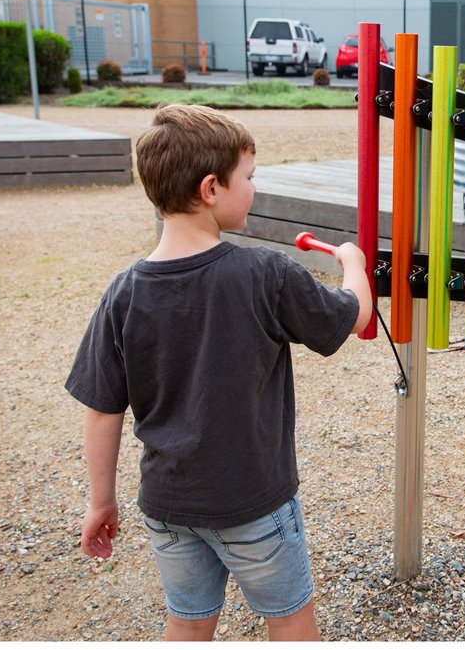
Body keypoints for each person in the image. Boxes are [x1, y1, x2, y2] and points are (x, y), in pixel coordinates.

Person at [66, 103, 374, 640]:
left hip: (168, 504)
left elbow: (102, 409)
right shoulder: (264, 273)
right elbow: (353, 316)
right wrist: (354, 266)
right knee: (291, 620)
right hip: (251, 503)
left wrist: (101, 501)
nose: (253, 187)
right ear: (211, 188)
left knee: (187, 620)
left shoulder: (123, 292)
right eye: (248, 177)